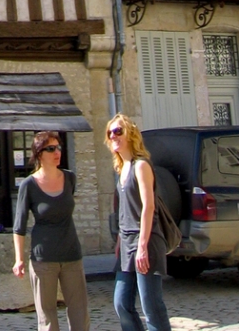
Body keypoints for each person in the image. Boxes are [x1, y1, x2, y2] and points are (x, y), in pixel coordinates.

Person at [13, 130, 90, 331]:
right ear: (39, 154)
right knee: (47, 317)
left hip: (72, 255)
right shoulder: (29, 185)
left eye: (58, 147)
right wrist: (19, 259)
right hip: (43, 259)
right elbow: (19, 225)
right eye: (51, 148)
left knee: (79, 313)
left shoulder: (70, 178)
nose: (57, 152)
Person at [106, 114, 171, 331]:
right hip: (126, 241)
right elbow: (125, 209)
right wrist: (119, 240)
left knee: (151, 305)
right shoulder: (121, 168)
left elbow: (148, 207)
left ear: (130, 135)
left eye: (118, 131)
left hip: (147, 239)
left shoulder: (140, 166)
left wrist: (142, 245)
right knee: (121, 303)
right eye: (110, 132)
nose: (113, 135)